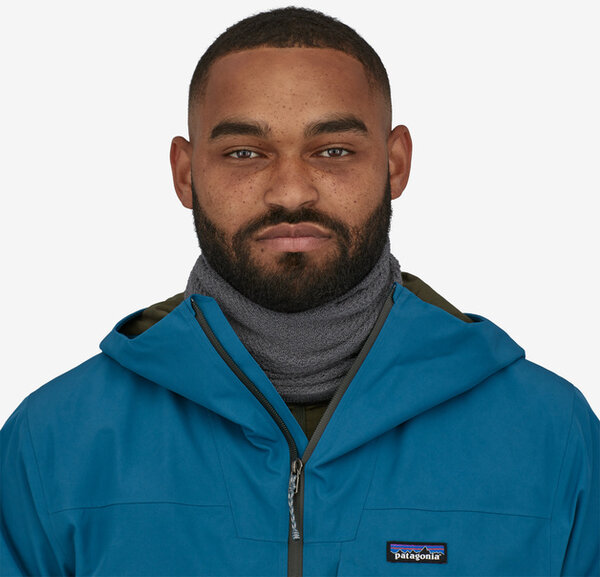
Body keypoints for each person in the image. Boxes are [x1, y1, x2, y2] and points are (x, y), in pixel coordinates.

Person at [1, 6, 598, 576]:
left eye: (333, 151)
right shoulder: (52, 442)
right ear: (185, 173)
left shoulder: (551, 435)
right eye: (244, 153)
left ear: (395, 164)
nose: (290, 191)